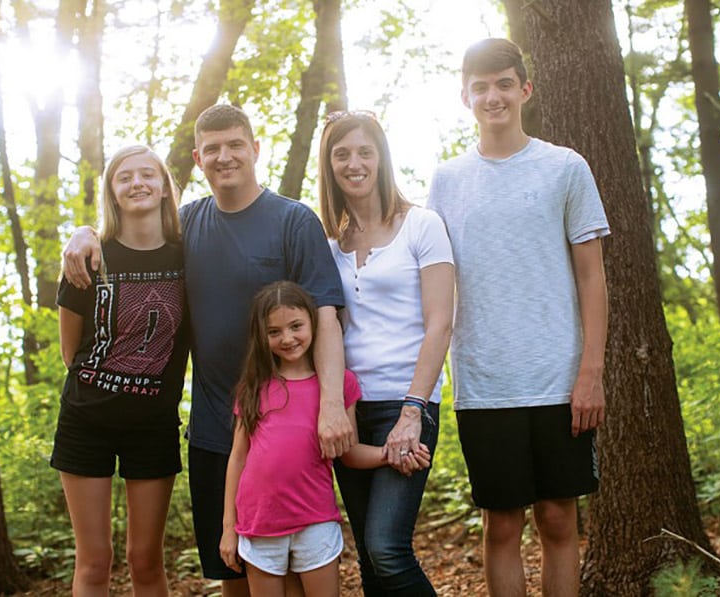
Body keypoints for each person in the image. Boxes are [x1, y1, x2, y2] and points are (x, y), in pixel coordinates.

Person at [62, 104, 354, 597]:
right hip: (215, 434)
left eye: (235, 144)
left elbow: (326, 315)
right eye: (213, 148)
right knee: (231, 572)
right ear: (198, 158)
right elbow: (132, 232)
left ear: (255, 149)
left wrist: (330, 406)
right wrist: (84, 233)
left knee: (297, 576)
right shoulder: (187, 226)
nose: (225, 156)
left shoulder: (293, 220)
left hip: (286, 431)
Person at [427, 38, 610, 597]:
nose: (493, 96)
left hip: (559, 379)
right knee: (501, 523)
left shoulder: (565, 167)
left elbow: (591, 276)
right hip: (486, 382)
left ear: (525, 89)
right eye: (481, 86)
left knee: (558, 518)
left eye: (504, 83)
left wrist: (591, 372)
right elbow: (436, 285)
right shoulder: (447, 180)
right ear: (465, 96)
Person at [219, 281, 431, 597]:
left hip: (314, 521)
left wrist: (389, 454)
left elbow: (349, 452)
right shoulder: (254, 387)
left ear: (314, 324)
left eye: (296, 326)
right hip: (259, 524)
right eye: (274, 331)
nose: (287, 338)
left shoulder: (338, 384)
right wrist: (228, 529)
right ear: (260, 336)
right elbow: (238, 458)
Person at [318, 110, 455, 595]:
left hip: (407, 402)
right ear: (329, 164)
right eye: (341, 153)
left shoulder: (422, 225)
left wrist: (413, 411)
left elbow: (440, 324)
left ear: (382, 159)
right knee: (371, 564)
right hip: (349, 409)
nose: (354, 163)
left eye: (365, 152)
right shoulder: (327, 242)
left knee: (386, 548)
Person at [52, 144, 187, 595]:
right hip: (86, 421)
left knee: (145, 560)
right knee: (94, 562)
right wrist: (83, 231)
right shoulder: (88, 257)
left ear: (166, 188)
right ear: (112, 191)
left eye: (148, 174)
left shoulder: (189, 257)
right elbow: (71, 353)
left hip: (153, 425)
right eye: (124, 176)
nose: (137, 183)